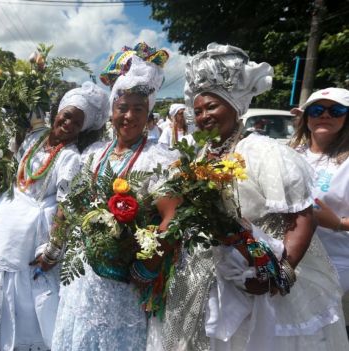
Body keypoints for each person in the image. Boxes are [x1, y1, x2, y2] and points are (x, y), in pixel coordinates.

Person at [147, 43, 348, 351]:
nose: (203, 116)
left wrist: (281, 272)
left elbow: (302, 216)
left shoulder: (263, 151)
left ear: (235, 106)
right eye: (198, 110)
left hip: (254, 276)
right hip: (199, 275)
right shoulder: (194, 154)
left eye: (212, 107)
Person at [52, 43, 177, 350]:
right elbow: (70, 204)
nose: (129, 116)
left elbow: (172, 217)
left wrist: (148, 263)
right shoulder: (94, 153)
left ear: (149, 113)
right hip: (84, 273)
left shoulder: (158, 158)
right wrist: (56, 243)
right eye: (122, 107)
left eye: (139, 108)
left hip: (125, 280)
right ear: (111, 111)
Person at [0, 81, 109, 350]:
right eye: (66, 116)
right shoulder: (35, 138)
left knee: (23, 290)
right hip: (8, 213)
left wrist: (54, 248)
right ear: (56, 112)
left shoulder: (70, 158)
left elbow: (67, 206)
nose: (68, 124)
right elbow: (14, 177)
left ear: (81, 130)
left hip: (33, 228)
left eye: (76, 123)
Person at [291, 88, 349, 293]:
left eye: (336, 110)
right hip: (288, 258)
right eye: (316, 110)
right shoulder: (290, 155)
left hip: (335, 263)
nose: (325, 115)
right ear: (306, 118)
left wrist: (338, 223)